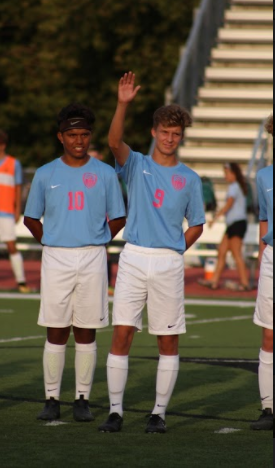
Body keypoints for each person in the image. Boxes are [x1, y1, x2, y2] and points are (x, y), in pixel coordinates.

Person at [99, 72, 205, 434]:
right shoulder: (137, 164)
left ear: (181, 137)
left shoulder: (190, 178)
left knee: (167, 339)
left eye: (176, 134)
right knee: (122, 334)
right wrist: (123, 103)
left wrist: (176, 250)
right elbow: (114, 141)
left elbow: (198, 224)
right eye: (165, 132)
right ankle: (115, 411)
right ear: (154, 132)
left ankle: (158, 413)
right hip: (133, 256)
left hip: (168, 263)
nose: (170, 139)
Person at [24, 103, 126, 423]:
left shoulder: (105, 173)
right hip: (56, 256)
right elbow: (30, 218)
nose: (78, 140)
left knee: (86, 330)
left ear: (89, 136)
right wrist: (51, 239)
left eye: (83, 134)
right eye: (72, 135)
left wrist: (97, 238)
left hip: (93, 256)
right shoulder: (45, 173)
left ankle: (82, 399)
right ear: (61, 137)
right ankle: (51, 398)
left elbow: (119, 217)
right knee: (56, 329)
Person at [0, 130, 30, 293]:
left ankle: (21, 282)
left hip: (6, 212)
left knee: (11, 246)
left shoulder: (13, 163)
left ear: (2, 146)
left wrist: (17, 209)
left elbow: (17, 188)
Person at [251, 115, 273, 431]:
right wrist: (260, 260)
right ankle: (269, 408)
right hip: (272, 257)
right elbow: (264, 221)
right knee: (269, 334)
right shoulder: (263, 175)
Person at [198, 163, 250, 291]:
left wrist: (215, 218)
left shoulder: (234, 186)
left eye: (227, 173)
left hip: (237, 224)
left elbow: (229, 204)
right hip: (233, 224)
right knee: (221, 252)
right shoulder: (237, 186)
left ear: (233, 174)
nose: (225, 176)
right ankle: (214, 281)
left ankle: (244, 283)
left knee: (236, 254)